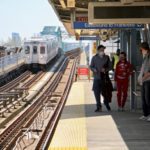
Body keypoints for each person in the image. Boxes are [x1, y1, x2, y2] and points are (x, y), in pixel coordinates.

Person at [90, 45, 111, 112]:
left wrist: (105, 69)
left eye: (103, 50)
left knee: (105, 92)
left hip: (104, 78)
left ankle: (106, 103)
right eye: (101, 50)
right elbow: (91, 66)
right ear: (98, 50)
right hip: (96, 78)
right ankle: (98, 106)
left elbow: (110, 67)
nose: (102, 51)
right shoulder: (94, 58)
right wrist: (94, 69)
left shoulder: (107, 58)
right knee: (96, 93)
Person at [138, 42, 150, 121]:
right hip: (143, 81)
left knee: (148, 98)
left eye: (141, 49)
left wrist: (143, 78)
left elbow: (149, 71)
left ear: (145, 48)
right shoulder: (145, 57)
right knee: (143, 99)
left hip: (148, 80)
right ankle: (145, 114)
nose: (141, 51)